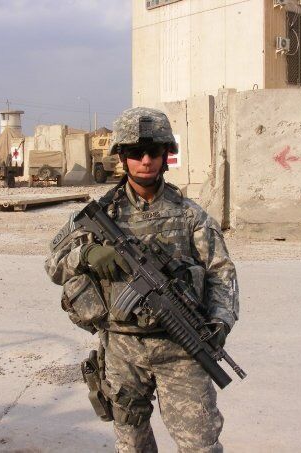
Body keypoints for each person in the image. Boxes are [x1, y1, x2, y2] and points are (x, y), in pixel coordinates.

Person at [45, 107, 239, 452]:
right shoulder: (101, 215)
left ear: (167, 155)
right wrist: (85, 256)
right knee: (132, 445)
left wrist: (220, 321)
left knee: (201, 445)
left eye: (154, 152)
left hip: (181, 349)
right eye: (135, 152)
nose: (145, 160)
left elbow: (220, 272)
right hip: (122, 351)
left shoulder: (190, 215)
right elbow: (53, 263)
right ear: (122, 157)